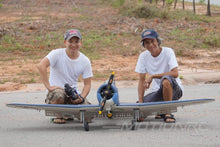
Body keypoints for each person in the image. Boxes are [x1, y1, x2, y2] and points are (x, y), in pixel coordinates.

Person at [37, 29, 93, 124]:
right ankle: (58, 114)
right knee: (59, 94)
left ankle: (69, 112)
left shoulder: (85, 60)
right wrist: (49, 87)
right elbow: (41, 66)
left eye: (77, 41)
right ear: (65, 42)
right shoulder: (56, 54)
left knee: (89, 117)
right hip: (57, 93)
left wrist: (82, 97)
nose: (73, 45)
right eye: (70, 41)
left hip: (72, 94)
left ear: (81, 43)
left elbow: (87, 84)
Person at [135, 29, 183, 123]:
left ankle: (167, 112)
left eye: (152, 41)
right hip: (158, 92)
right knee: (138, 110)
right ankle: (160, 110)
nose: (150, 45)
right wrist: (141, 104)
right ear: (144, 45)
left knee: (166, 80)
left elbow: (175, 73)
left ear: (158, 41)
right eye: (147, 43)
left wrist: (153, 76)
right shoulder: (143, 56)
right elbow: (141, 80)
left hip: (174, 90)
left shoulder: (168, 52)